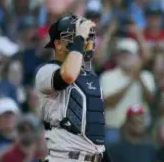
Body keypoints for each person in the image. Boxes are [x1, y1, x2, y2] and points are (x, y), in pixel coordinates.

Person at [35, 14, 111, 162]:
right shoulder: (46, 71)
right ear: (57, 44)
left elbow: (93, 130)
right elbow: (68, 75)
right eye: (74, 37)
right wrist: (79, 39)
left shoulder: (91, 77)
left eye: (86, 38)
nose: (83, 42)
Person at [0, 97, 20, 162]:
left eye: (11, 115)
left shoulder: (24, 135)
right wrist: (15, 148)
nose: (9, 119)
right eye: (5, 116)